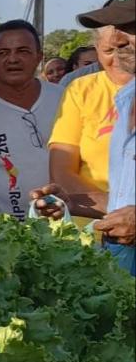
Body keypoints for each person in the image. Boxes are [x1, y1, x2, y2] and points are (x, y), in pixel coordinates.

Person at [31, 0, 135, 362]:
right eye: (109, 34)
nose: (117, 42)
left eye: (129, 29)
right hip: (119, 264)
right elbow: (102, 189)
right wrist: (70, 206)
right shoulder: (115, 98)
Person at [0, 19, 64, 220]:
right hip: (11, 238)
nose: (13, 59)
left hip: (68, 226)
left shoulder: (65, 98)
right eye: (3, 53)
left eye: (23, 51)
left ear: (39, 58)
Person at [47, 18, 133, 221]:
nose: (119, 59)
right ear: (97, 50)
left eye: (126, 48)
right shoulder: (81, 89)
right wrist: (118, 213)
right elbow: (61, 173)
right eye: (109, 51)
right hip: (92, 229)